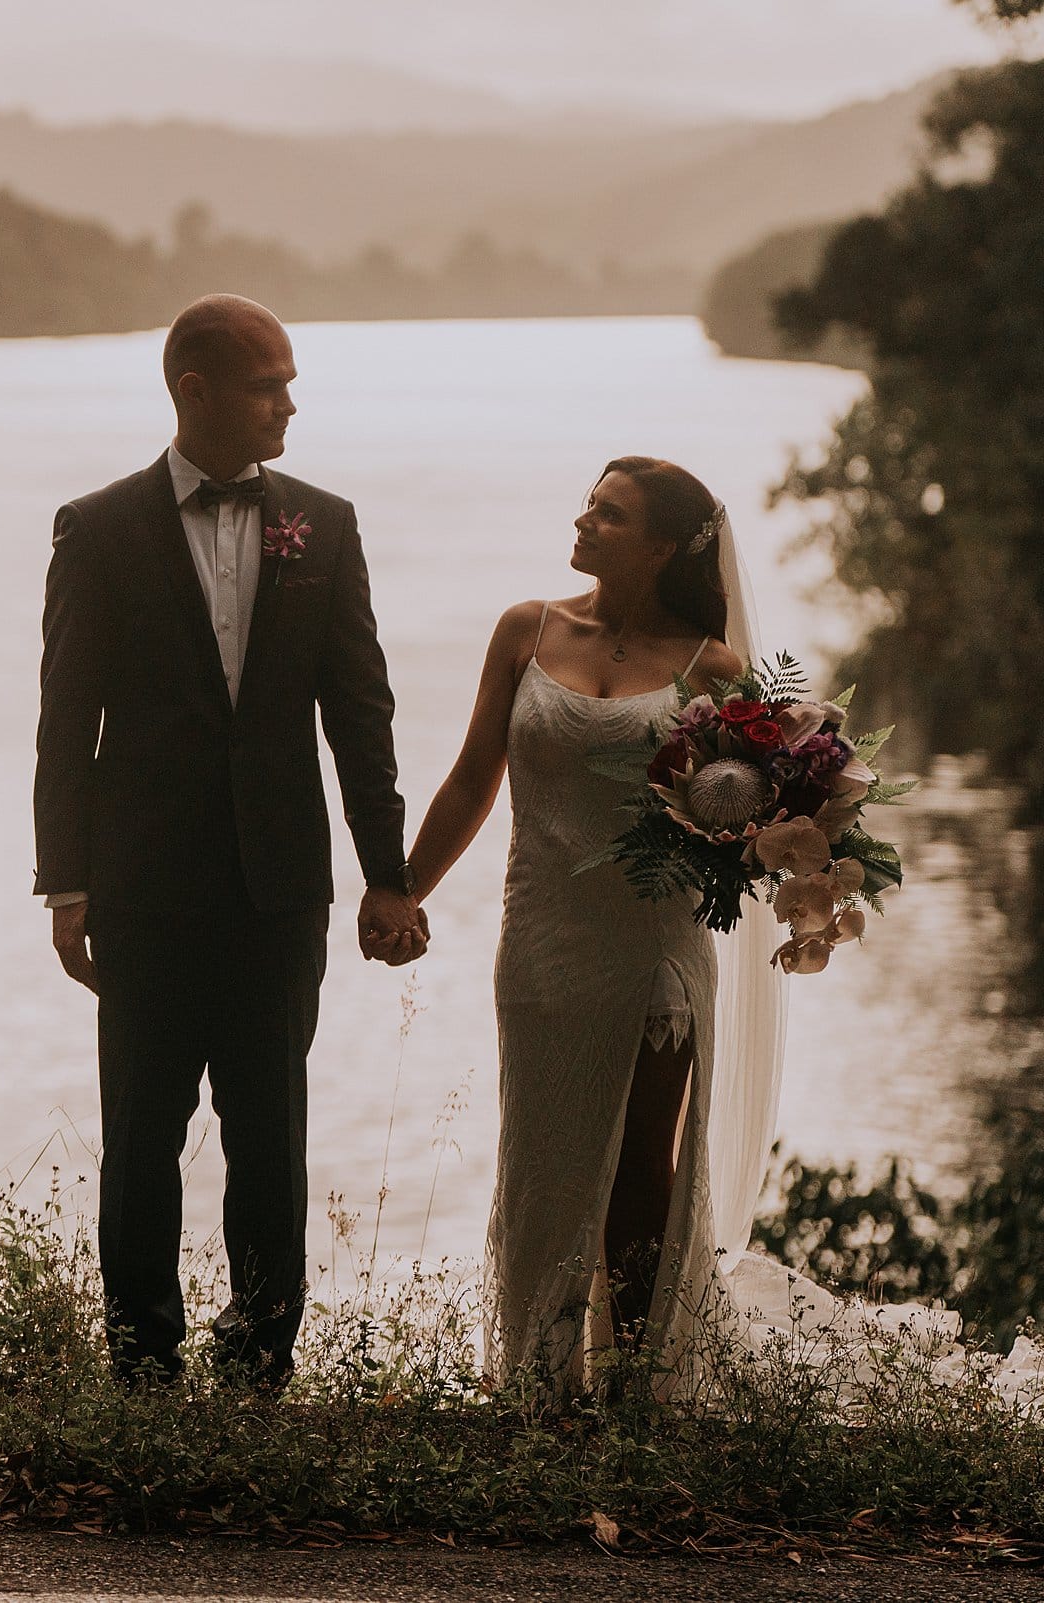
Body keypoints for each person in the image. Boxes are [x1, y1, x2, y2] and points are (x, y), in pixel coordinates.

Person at [32, 294, 425, 1388]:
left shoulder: (324, 524)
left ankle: (258, 1366)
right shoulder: (97, 527)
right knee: (141, 1143)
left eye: (290, 380)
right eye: (268, 383)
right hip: (143, 889)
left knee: (270, 1140)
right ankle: (141, 1369)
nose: (289, 401)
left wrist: (386, 875)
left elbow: (361, 713)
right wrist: (64, 884)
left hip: (278, 890)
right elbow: (67, 718)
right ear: (192, 391)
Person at [397, 456, 773, 1392]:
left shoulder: (713, 668)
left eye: (608, 515)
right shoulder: (527, 630)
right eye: (587, 506)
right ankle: (542, 1383)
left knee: (644, 1168)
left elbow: (752, 819)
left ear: (657, 547)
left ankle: (636, 1392)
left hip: (655, 951)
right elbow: (472, 776)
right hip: (542, 944)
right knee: (545, 1169)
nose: (584, 521)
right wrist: (403, 890)